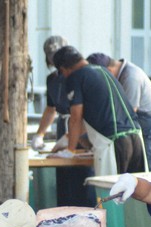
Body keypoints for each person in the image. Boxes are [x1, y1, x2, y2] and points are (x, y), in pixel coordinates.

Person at [50, 46, 146, 177]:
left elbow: (76, 117)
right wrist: (68, 138)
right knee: (136, 194)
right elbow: (98, 115)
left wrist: (70, 150)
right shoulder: (104, 71)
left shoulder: (76, 77)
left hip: (114, 142)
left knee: (111, 193)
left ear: (63, 69)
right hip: (136, 138)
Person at [30, 35, 95, 207]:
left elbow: (78, 114)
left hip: (80, 128)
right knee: (64, 181)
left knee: (83, 180)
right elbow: (51, 109)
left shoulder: (79, 75)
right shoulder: (52, 80)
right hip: (63, 126)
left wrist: (72, 141)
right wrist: (39, 134)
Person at [87, 52, 151, 171]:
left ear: (108, 70)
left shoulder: (131, 77)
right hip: (138, 130)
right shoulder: (122, 75)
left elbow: (127, 113)